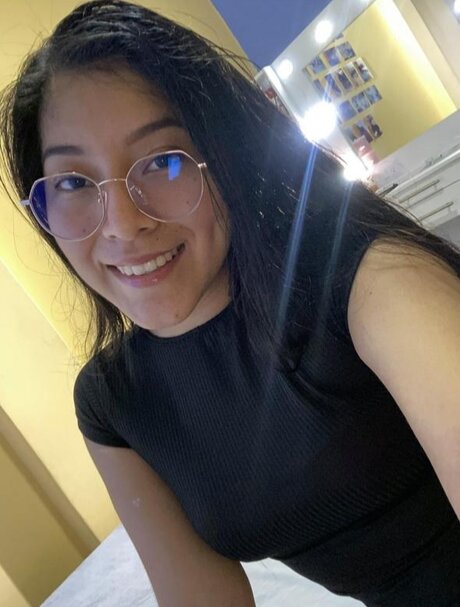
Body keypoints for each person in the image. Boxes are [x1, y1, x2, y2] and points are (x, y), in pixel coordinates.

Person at [1, 2, 459, 605]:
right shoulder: (113, 402)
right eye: (73, 183)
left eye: (163, 161)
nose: (123, 224)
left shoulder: (374, 283)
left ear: (226, 159)